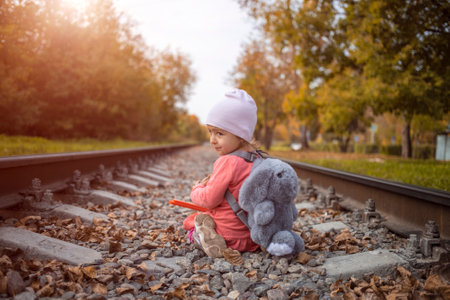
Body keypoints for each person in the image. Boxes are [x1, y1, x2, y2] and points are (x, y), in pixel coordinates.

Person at [182, 88, 260, 257]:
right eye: (210, 132)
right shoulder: (258, 160)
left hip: (229, 237)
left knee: (190, 223)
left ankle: (206, 239)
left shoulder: (227, 162)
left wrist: (196, 190)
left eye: (219, 133)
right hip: (253, 236)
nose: (212, 140)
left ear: (240, 135)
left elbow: (209, 200)